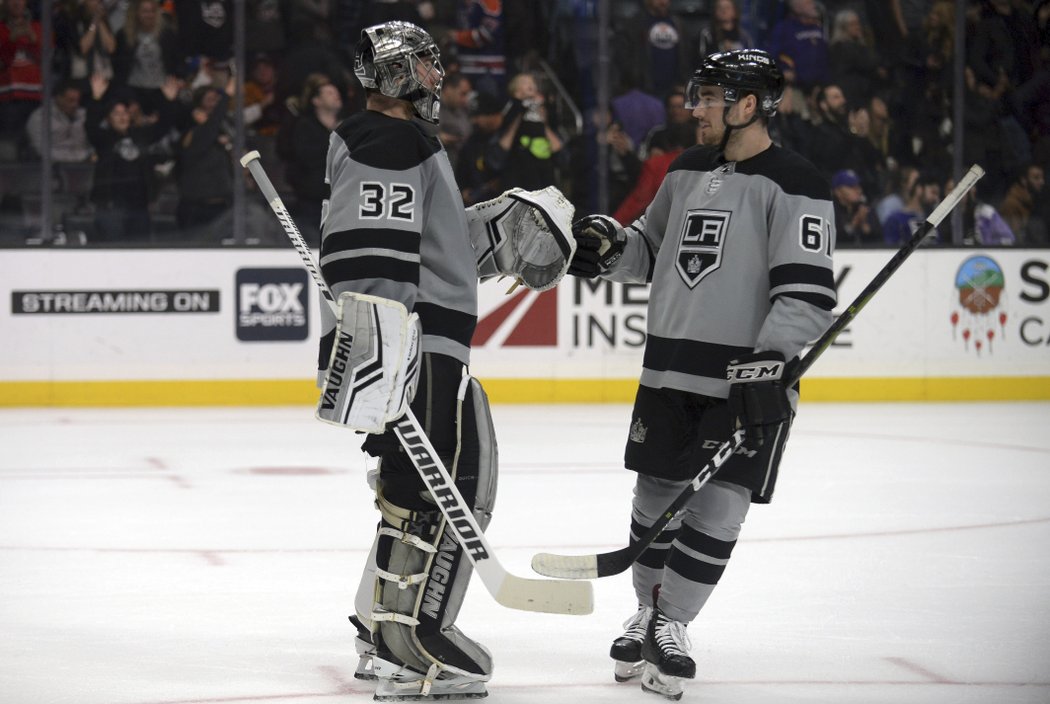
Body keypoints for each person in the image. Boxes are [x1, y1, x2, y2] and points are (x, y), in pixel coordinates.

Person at [566, 49, 835, 699]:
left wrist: (768, 366)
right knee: (655, 493)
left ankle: (673, 623)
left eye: (711, 98)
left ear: (748, 106)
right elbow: (650, 252)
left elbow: (806, 296)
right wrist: (609, 247)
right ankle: (646, 611)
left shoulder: (796, 182)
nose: (696, 109)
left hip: (744, 378)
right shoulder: (684, 170)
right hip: (669, 365)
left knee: (719, 505)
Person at [319, 21, 497, 701]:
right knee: (442, 481)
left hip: (412, 336)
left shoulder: (382, 140)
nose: (435, 73)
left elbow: (419, 243)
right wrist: (383, 347)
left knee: (412, 482)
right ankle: (405, 641)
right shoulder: (392, 139)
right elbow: (369, 254)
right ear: (394, 73)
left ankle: (378, 629)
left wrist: (488, 229)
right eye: (422, 63)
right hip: (414, 341)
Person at [831, 168, 881, 247]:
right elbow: (833, 239)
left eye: (858, 186)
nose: (858, 190)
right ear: (838, 191)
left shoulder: (867, 209)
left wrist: (864, 225)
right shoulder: (831, 211)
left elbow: (880, 239)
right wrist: (853, 225)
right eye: (851, 187)